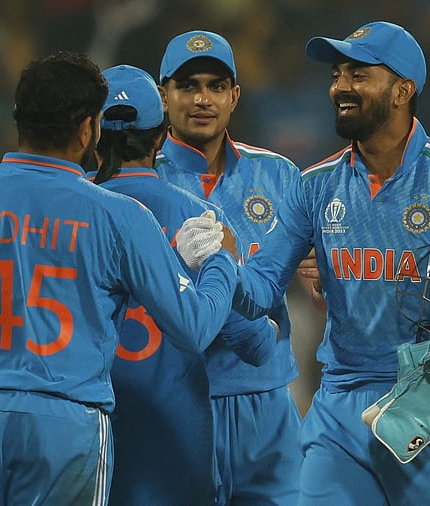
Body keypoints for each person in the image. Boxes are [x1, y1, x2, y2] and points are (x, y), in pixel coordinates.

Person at [177, 21, 430, 505]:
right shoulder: (315, 184)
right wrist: (224, 262)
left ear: (403, 90)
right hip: (337, 412)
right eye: (337, 74)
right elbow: (261, 290)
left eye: (359, 74)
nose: (340, 86)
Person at [0, 51, 241, 506]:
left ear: (17, 117)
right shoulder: (118, 216)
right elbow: (193, 327)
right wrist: (222, 261)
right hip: (62, 420)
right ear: (89, 128)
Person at [89, 64, 277, 505]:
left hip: (83, 429)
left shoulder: (63, 210)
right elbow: (252, 344)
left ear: (91, 134)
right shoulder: (199, 218)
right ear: (159, 138)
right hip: (173, 438)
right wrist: (264, 325)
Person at [155, 30, 304, 505]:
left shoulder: (279, 174)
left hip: (266, 404)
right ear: (164, 95)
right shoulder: (141, 179)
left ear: (234, 96)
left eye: (216, 86)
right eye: (188, 85)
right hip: (176, 402)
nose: (202, 98)